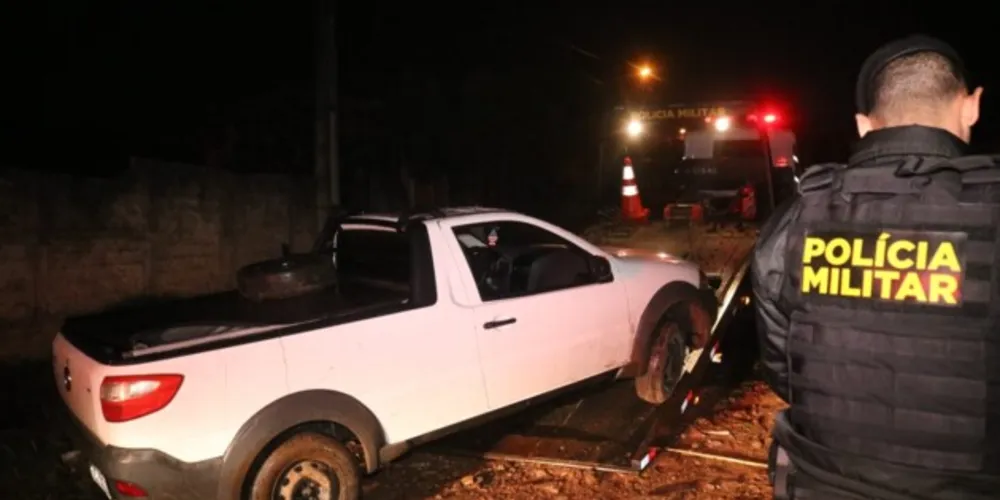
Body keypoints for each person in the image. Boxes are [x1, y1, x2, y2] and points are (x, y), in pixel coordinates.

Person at [751, 34, 1000, 499]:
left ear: (865, 125)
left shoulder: (796, 217)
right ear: (971, 106)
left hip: (822, 484)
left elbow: (783, 369)